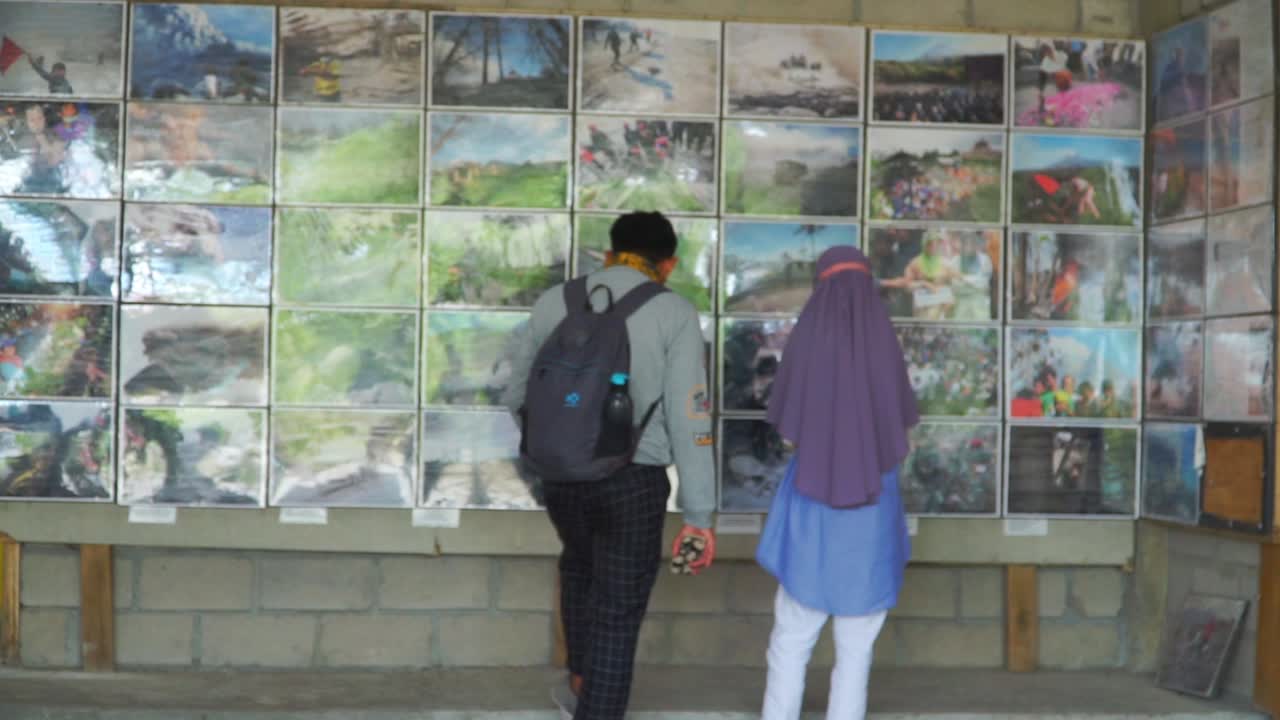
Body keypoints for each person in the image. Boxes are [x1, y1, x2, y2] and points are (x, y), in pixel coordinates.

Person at [504, 212, 717, 720]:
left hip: (561, 478)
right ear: (668, 264)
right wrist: (699, 516)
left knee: (578, 571)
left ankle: (579, 686)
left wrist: (562, 444)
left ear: (608, 253)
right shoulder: (673, 312)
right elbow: (691, 416)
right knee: (618, 612)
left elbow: (517, 395)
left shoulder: (554, 301)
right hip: (633, 481)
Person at [755, 246, 919, 720]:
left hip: (812, 499)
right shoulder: (884, 340)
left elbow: (786, 430)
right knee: (856, 649)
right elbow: (902, 425)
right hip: (872, 506)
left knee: (790, 638)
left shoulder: (806, 338)